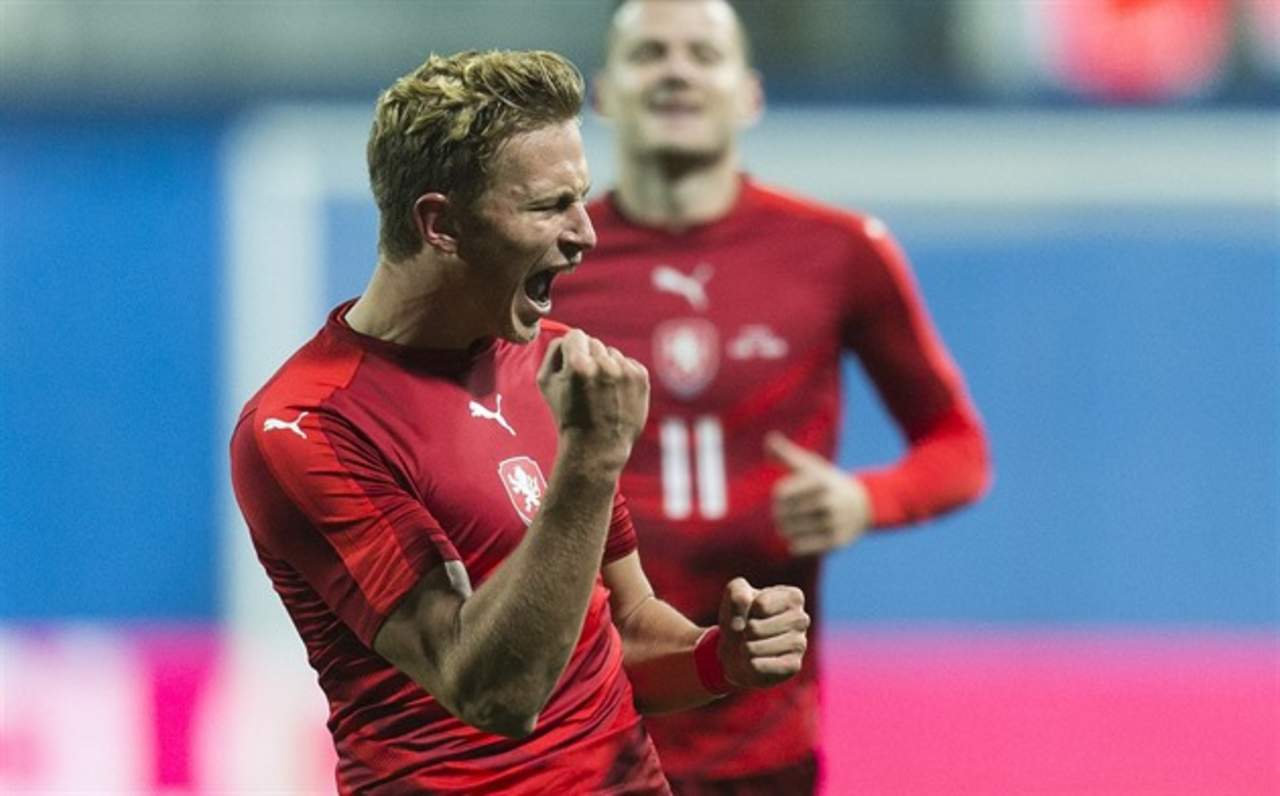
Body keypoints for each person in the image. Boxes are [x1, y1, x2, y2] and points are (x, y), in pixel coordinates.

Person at [229, 49, 811, 795]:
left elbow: (621, 627)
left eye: (581, 199)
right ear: (440, 224)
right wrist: (590, 460)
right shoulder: (306, 428)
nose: (585, 233)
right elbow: (493, 692)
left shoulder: (555, 365)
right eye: (547, 206)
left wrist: (717, 657)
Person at [551, 2, 993, 792]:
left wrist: (865, 501)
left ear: (749, 94)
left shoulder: (839, 251)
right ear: (606, 94)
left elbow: (958, 445)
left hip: (756, 742)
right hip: (577, 736)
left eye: (702, 54)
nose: (677, 70)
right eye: (650, 53)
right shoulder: (543, 263)